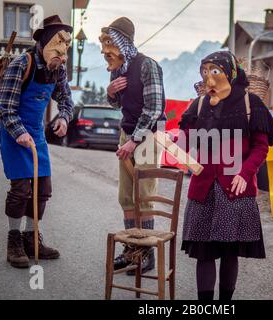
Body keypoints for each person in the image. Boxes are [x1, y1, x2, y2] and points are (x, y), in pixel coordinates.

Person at [177, 51, 273, 300]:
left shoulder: (250, 104)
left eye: (215, 72)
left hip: (234, 190)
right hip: (203, 190)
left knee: (229, 252)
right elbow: (187, 142)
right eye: (205, 72)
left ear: (230, 73)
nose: (208, 79)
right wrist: (175, 146)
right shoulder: (199, 104)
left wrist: (245, 173)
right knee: (204, 252)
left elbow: (260, 147)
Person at [0, 15, 74, 268]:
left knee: (42, 189)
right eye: (58, 45)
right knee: (21, 190)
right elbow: (5, 105)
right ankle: (14, 241)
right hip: (13, 134)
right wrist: (19, 132)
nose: (62, 54)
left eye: (66, 48)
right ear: (43, 43)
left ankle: (32, 239)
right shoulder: (22, 64)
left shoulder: (58, 69)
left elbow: (66, 101)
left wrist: (63, 117)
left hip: (36, 137)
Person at [99, 17, 166, 274]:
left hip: (147, 136)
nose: (105, 51)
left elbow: (154, 109)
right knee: (126, 196)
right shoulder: (119, 67)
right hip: (127, 134)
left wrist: (134, 140)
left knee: (144, 196)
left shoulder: (147, 66)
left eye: (109, 43)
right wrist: (111, 93)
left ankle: (145, 254)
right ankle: (131, 251)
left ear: (122, 42)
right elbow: (119, 105)